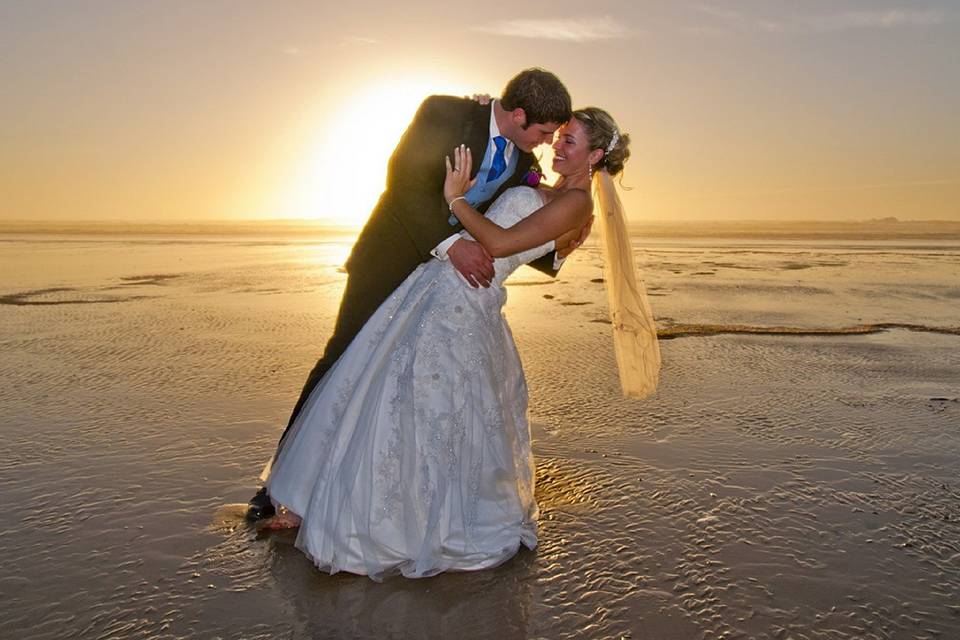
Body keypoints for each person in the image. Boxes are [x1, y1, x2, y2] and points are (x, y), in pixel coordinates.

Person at [256, 107, 660, 580]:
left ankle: (399, 525)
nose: (555, 145)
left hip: (464, 305)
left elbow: (501, 244)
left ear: (594, 156)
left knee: (428, 410)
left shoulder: (577, 206)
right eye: (558, 136)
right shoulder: (547, 192)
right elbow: (529, 242)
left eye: (569, 141)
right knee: (382, 396)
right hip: (436, 290)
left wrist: (456, 200)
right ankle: (318, 503)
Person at [247, 69, 577, 521]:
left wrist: (556, 250)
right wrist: (449, 245)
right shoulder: (444, 111)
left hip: (437, 288)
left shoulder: (525, 163)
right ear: (518, 115)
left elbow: (516, 224)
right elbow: (403, 183)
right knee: (341, 360)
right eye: (541, 132)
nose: (544, 143)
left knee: (398, 382)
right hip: (390, 260)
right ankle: (279, 483)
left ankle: (370, 488)